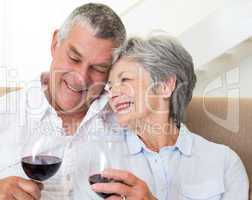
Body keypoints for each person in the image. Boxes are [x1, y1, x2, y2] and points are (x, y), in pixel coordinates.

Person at [0, 3, 126, 200]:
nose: (81, 78)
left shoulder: (130, 122)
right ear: (55, 44)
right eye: (74, 58)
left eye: (99, 68)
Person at [91, 36, 249, 199]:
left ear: (164, 86)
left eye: (124, 79)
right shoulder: (101, 157)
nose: (113, 94)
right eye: (110, 86)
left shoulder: (224, 162)